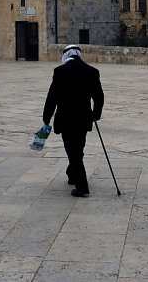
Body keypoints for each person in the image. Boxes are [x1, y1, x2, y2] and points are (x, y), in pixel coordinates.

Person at [43, 44, 104, 197]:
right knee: (78, 148)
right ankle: (72, 174)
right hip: (84, 118)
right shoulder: (92, 71)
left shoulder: (60, 71)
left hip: (66, 118)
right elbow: (99, 97)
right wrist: (95, 114)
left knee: (73, 151)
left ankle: (82, 186)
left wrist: (46, 118)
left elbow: (52, 97)